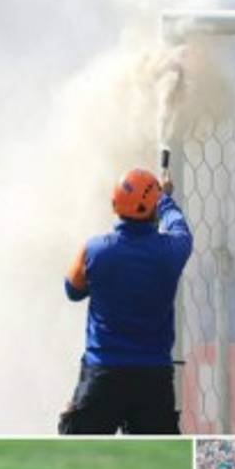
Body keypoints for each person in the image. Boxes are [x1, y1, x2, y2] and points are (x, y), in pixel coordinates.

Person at [60, 167, 193, 435]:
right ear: (153, 208)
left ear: (114, 205)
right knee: (157, 456)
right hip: (153, 378)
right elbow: (179, 225)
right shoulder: (172, 251)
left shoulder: (95, 250)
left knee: (80, 453)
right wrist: (165, 199)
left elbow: (72, 291)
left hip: (102, 373)